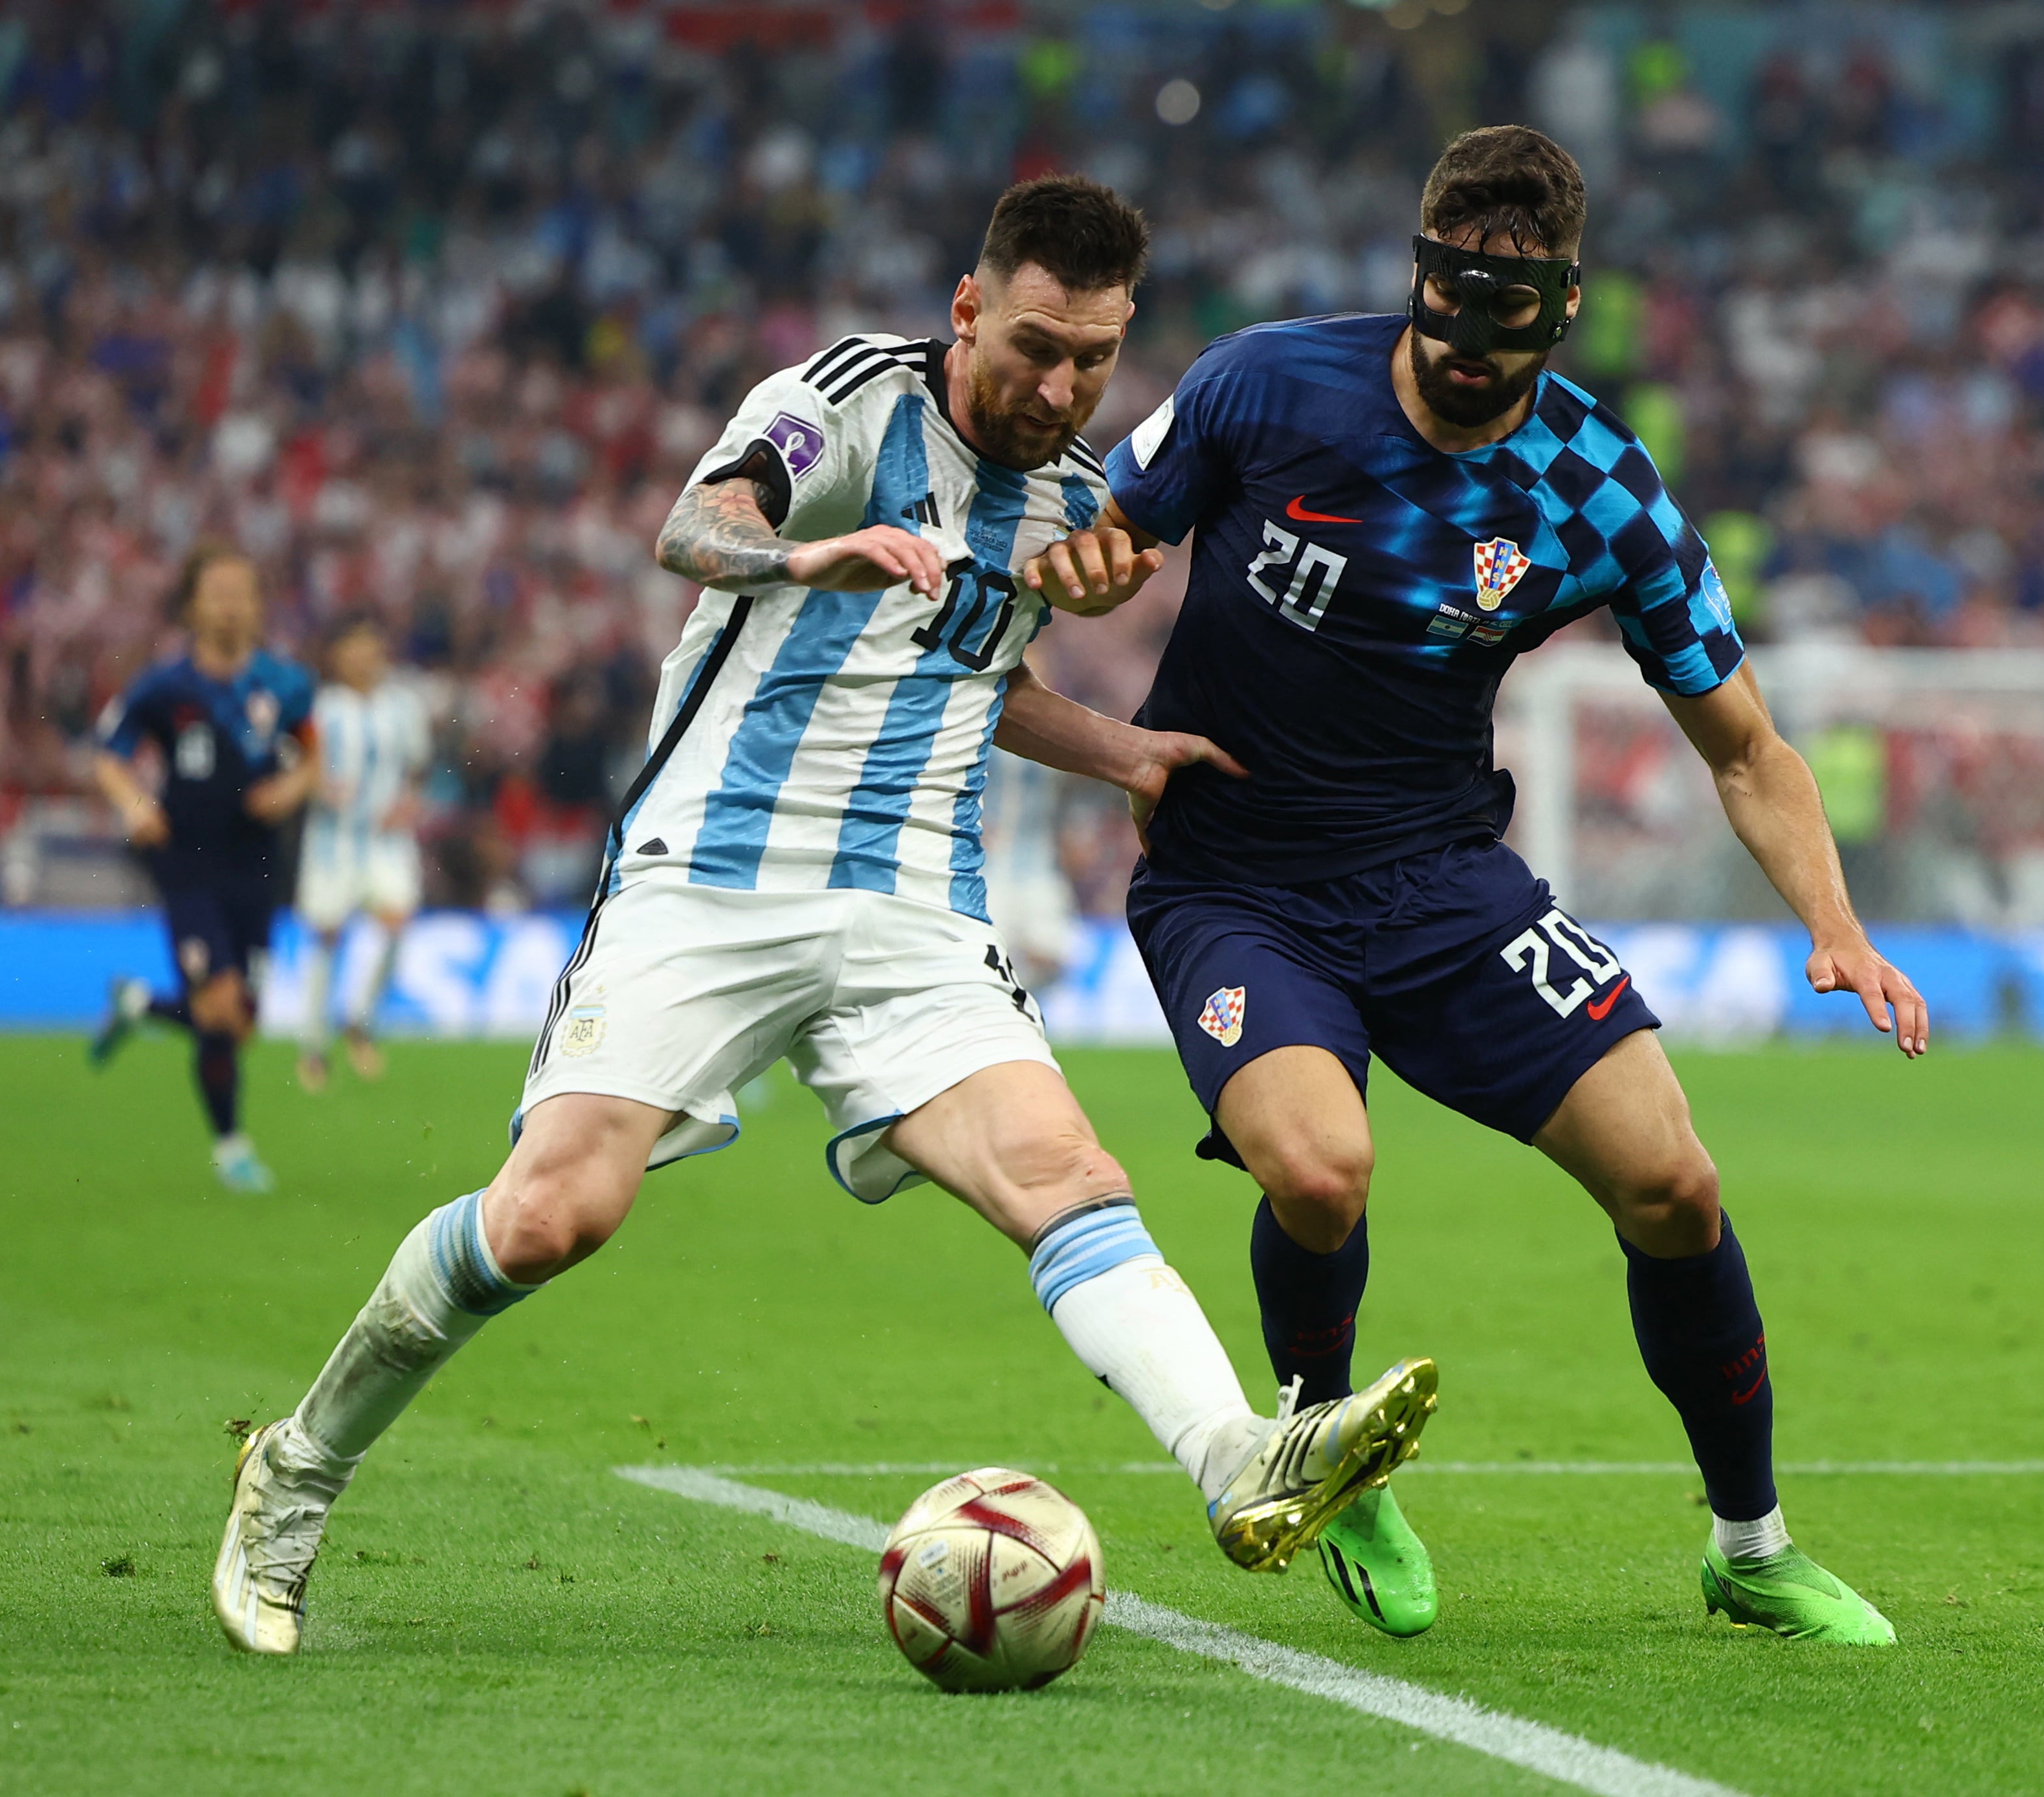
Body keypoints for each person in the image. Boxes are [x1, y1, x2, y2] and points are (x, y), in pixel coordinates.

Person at [212, 176, 1437, 1656]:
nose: (1058, 387)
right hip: (709, 872)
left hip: (914, 896)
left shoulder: (1067, 499)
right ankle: (297, 1465)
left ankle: (1236, 1453)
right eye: (1034, 345)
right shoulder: (845, 398)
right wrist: (809, 550)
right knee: (548, 1216)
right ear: (967, 308)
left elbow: (975, 671)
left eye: (1092, 360)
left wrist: (1121, 749)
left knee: (1057, 1166)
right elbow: (696, 522)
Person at [1089, 127, 1927, 1644]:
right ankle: (1323, 1446)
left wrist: (1833, 924)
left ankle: (1746, 1542)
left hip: (1441, 882)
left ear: (1559, 309)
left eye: (1510, 324)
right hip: (1234, 878)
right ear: (1418, 276)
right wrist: (1089, 565)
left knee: (1672, 1180)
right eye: (1449, 312)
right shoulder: (1264, 383)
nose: (1469, 357)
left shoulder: (1595, 487)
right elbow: (1099, 523)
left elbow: (1742, 746)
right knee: (1320, 1167)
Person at [89, 546, 318, 1193]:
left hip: (257, 865)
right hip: (186, 861)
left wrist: (292, 789)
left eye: (240, 591)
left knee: (240, 1024)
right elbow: (109, 756)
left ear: (257, 603)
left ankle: (138, 1005)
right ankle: (231, 1146)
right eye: (216, 591)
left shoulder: (284, 682)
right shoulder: (164, 685)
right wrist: (134, 801)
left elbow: (312, 755)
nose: (229, 604)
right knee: (217, 1007)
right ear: (192, 604)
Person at [291, 615, 431, 1092]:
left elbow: (416, 766)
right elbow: (295, 765)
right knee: (328, 934)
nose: (363, 657)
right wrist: (318, 788)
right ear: (337, 656)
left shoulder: (402, 707)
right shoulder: (319, 707)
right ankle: (312, 1047)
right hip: (333, 839)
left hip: (386, 839)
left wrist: (409, 802)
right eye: (353, 648)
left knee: (397, 921)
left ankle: (360, 1021)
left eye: (370, 647)